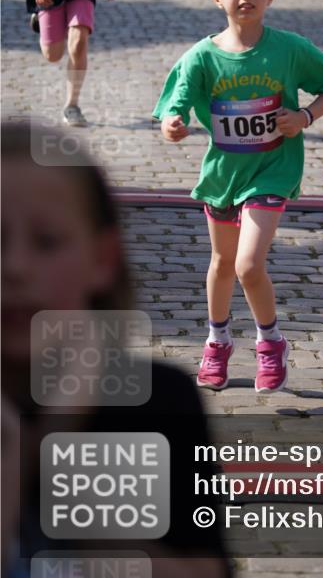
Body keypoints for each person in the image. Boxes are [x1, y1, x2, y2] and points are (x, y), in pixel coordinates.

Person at [1, 121, 230, 577]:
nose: (16, 267)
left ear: (102, 259)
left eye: (48, 242)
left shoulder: (159, 403)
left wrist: (65, 450)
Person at [154, 0, 323, 393]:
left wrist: (305, 118)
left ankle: (270, 341)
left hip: (273, 169)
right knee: (221, 264)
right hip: (224, 174)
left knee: (247, 264)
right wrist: (173, 126)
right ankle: (217, 340)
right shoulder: (200, 58)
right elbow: (172, 109)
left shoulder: (290, 49)